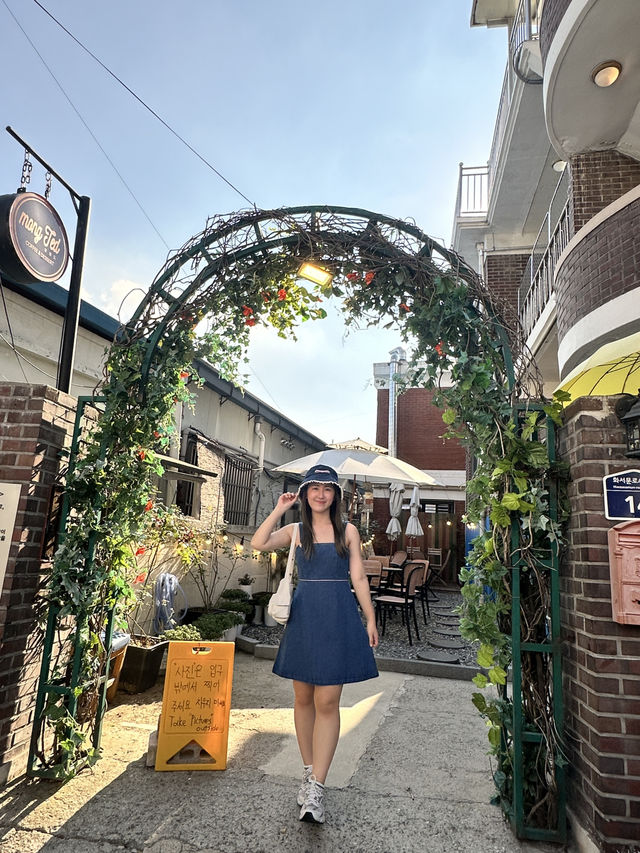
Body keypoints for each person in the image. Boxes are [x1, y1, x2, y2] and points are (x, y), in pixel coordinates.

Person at [251, 464, 379, 824]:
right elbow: (258, 542)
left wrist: (370, 618)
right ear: (305, 493)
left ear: (335, 495)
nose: (321, 494)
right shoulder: (296, 530)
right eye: (314, 488)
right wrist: (280, 508)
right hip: (305, 617)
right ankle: (309, 773)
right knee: (303, 698)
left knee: (327, 701)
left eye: (327, 488)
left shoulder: (347, 530)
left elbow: (358, 577)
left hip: (338, 616)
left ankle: (317, 787)